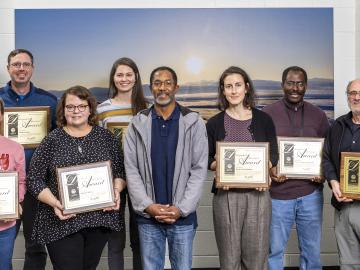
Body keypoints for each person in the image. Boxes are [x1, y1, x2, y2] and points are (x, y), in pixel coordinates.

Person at [26, 86, 126, 270]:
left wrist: (116, 190)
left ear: (90, 109)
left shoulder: (106, 138)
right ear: (63, 110)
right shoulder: (52, 140)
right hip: (61, 220)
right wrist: (55, 203)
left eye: (81, 106)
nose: (76, 111)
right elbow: (34, 179)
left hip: (98, 220)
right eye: (70, 107)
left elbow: (119, 173)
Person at [124, 66, 208, 270]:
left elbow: (199, 170)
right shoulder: (137, 124)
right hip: (148, 219)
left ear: (176, 87)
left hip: (182, 217)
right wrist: (148, 206)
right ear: (151, 88)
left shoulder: (194, 122)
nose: (163, 88)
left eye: (168, 83)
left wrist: (181, 208)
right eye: (157, 83)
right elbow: (131, 170)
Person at [206, 66, 278, 270]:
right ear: (223, 90)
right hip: (226, 196)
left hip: (258, 195)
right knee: (229, 260)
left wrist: (267, 170)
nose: (234, 90)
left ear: (246, 88)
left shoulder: (264, 120)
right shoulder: (213, 123)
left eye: (238, 85)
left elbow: (273, 153)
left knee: (257, 259)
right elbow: (207, 158)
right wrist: (219, 166)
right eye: (228, 86)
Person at [263, 66, 330, 270]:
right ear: (283, 85)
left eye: (300, 83)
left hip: (310, 194)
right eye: (290, 83)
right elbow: (261, 151)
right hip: (277, 196)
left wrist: (323, 173)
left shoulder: (318, 115)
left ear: (306, 86)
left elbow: (327, 152)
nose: (295, 87)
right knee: (274, 251)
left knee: (311, 253)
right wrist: (270, 169)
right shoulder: (268, 114)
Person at [0, 49, 58, 270]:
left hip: (38, 186)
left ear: (32, 68)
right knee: (2, 243)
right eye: (16, 64)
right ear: (8, 68)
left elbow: (58, 140)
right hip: (3, 187)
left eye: (26, 64)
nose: (21, 68)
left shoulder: (49, 101)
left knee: (35, 245)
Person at [97, 57, 147, 270]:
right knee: (115, 241)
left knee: (140, 240)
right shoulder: (102, 110)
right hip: (111, 180)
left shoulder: (147, 109)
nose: (124, 79)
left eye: (128, 74)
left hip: (141, 179)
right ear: (113, 78)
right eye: (119, 75)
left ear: (136, 77)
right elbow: (97, 146)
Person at [323, 79, 360, 269]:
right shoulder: (337, 126)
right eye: (352, 93)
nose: (356, 97)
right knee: (348, 263)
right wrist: (333, 181)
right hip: (342, 207)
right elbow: (326, 158)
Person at [0, 97, 26, 270]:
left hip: (4, 226)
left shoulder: (15, 148)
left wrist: (16, 203)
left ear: (1, 115)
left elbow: (21, 181)